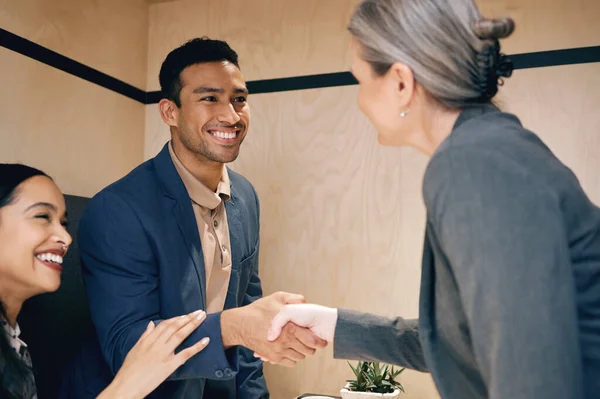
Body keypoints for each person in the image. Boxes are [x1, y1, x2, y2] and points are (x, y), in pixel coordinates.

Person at [265, 1, 600, 398]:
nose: (359, 100)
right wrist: (335, 324)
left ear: (401, 83)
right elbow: (463, 343)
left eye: (360, 80)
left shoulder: (473, 164)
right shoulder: (488, 150)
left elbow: (534, 377)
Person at [62, 38, 327, 399]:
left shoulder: (245, 197)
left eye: (239, 99)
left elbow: (251, 334)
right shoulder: (118, 209)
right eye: (209, 98)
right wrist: (236, 327)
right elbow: (128, 347)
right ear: (169, 112)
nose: (231, 116)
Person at [0, 164, 210, 399]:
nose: (66, 238)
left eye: (63, 223)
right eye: (42, 217)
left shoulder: (15, 342)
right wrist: (129, 385)